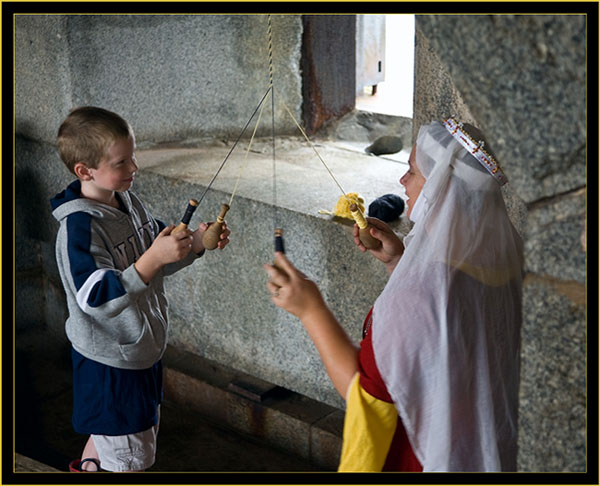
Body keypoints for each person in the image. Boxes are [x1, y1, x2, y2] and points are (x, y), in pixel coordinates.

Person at [264, 117, 523, 472]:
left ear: (440, 189)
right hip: (474, 448)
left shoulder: (422, 292)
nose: (403, 181)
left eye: (413, 171)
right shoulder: (504, 264)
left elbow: (367, 395)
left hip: (423, 456)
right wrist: (399, 261)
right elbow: (444, 339)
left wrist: (310, 309)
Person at [51, 106, 231, 472]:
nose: (134, 168)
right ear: (85, 171)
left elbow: (160, 253)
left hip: (139, 349)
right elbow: (95, 296)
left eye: (132, 157)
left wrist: (194, 242)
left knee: (116, 444)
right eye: (121, 162)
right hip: (110, 365)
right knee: (132, 459)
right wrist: (152, 259)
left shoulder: (128, 201)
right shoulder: (78, 228)